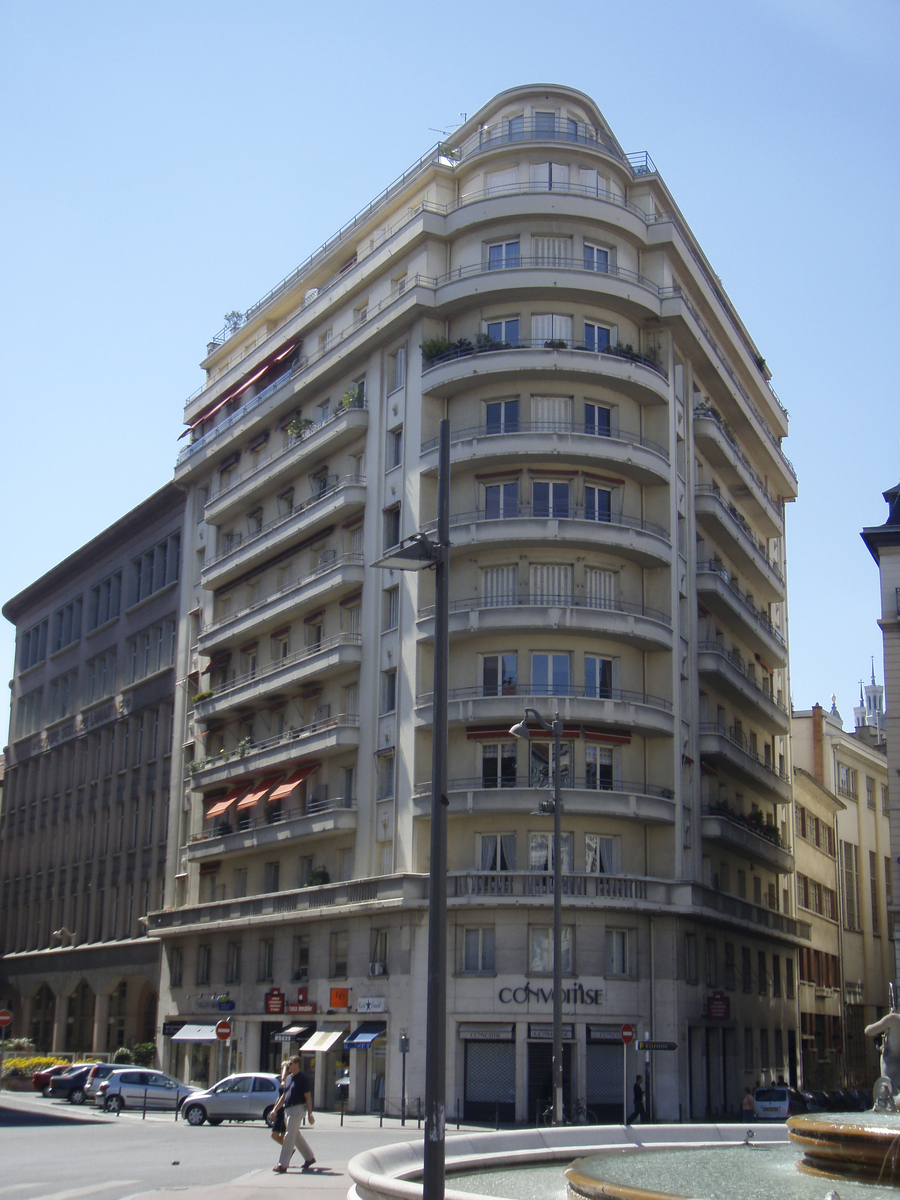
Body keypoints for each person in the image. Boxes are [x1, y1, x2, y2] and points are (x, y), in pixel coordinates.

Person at [270, 1056, 316, 1173]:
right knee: (295, 1135)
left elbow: (308, 1097)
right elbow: (283, 1096)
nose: (288, 1066)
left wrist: (310, 1113)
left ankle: (282, 1165)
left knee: (289, 1135)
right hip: (288, 1110)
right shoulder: (289, 1079)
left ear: (297, 1065)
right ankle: (309, 1158)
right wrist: (274, 1110)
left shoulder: (303, 1079)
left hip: (298, 1109)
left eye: (290, 1064)